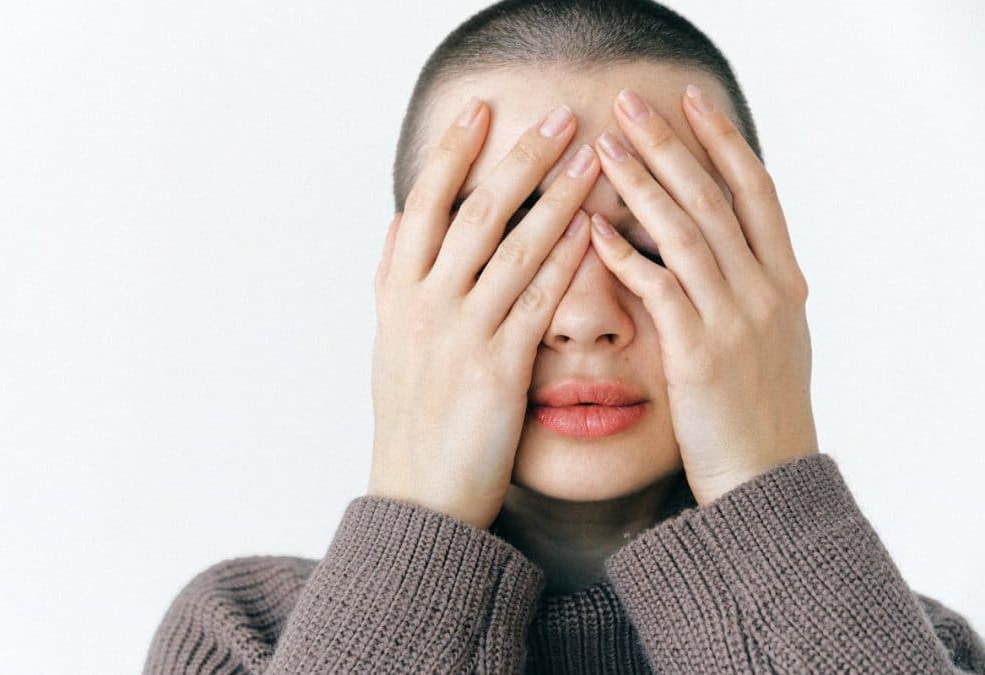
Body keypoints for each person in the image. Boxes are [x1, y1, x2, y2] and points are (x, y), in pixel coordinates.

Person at [144, 1, 985, 672]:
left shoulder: (915, 646)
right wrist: (419, 509)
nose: (585, 315)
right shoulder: (244, 634)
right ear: (407, 295)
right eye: (513, 245)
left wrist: (765, 482)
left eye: (656, 244)